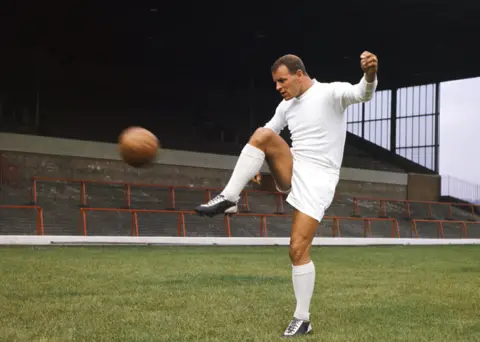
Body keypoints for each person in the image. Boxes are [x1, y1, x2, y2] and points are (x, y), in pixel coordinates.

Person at [195, 51, 378, 337]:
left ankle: (303, 319)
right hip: (293, 166)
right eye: (276, 83)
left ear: (299, 74)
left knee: (297, 249)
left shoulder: (330, 93)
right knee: (262, 134)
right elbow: (267, 134)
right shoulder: (286, 106)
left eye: (282, 81)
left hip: (319, 178)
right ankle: (229, 196)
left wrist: (370, 74)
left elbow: (362, 94)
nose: (279, 87)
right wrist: (253, 161)